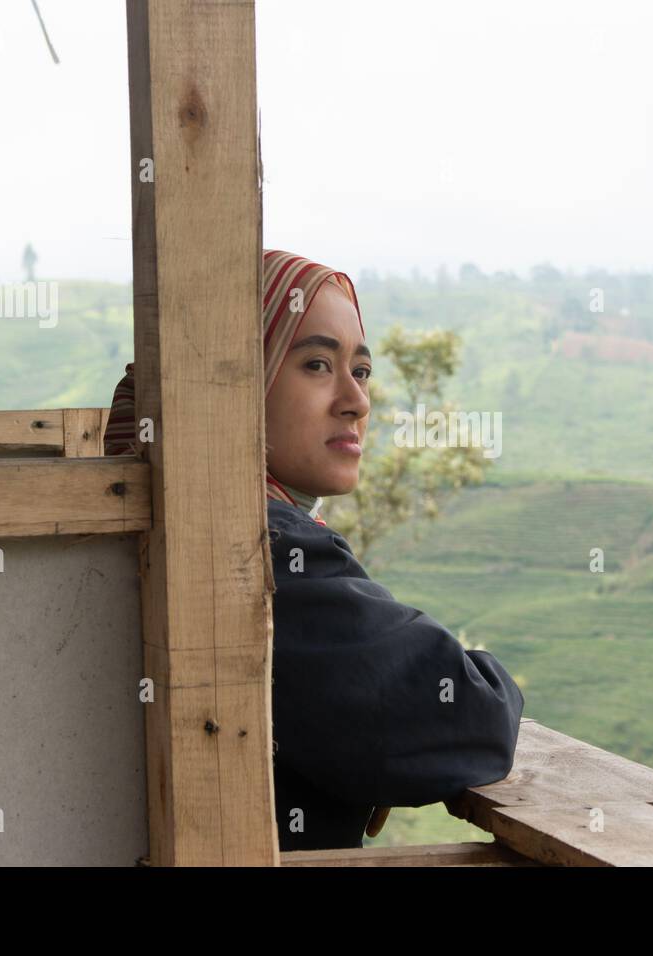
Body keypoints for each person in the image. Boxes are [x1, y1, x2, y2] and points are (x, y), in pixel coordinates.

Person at [104, 249, 525, 851]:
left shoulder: (150, 518)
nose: (356, 401)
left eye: (362, 371)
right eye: (317, 364)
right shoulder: (254, 547)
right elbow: (468, 719)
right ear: (230, 380)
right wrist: (493, 681)